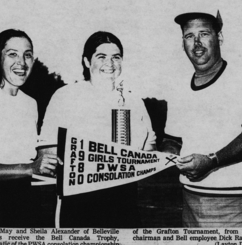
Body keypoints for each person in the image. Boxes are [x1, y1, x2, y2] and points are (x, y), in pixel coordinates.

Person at [39, 31, 156, 228]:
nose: (109, 64)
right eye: (101, 57)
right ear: (86, 61)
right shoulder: (66, 96)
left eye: (116, 57)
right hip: (77, 203)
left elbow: (148, 150)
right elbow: (46, 151)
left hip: (123, 201)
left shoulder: (133, 101)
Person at [165, 11, 242, 227]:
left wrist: (212, 161)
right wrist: (170, 154)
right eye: (189, 36)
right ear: (182, 43)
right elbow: (173, 140)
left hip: (238, 206)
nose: (197, 43)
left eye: (204, 34)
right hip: (191, 204)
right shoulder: (178, 87)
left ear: (219, 38)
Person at [0, 29, 61, 227]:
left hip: (28, 202)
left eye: (27, 55)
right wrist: (30, 168)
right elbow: (28, 167)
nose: (21, 62)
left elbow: (30, 160)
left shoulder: (31, 103)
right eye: (12, 54)